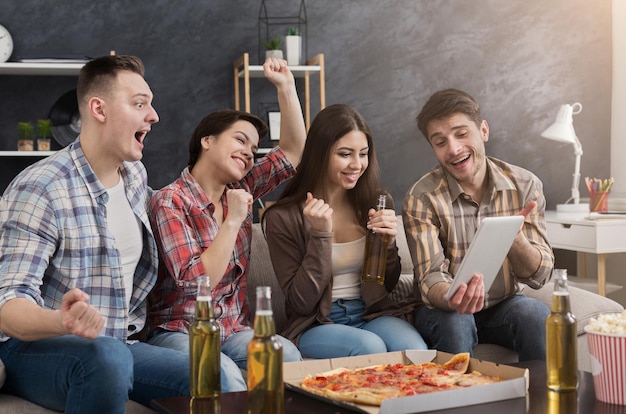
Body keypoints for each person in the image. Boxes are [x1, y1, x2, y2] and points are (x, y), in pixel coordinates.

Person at [0, 55, 189, 413]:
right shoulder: (41, 187)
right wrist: (61, 320)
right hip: (37, 345)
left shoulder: (135, 177)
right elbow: (7, 306)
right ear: (99, 109)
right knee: (107, 358)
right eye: (140, 104)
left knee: (214, 375)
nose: (154, 116)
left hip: (119, 341)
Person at [146, 57, 304, 391]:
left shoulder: (240, 189)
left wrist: (286, 86)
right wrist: (233, 220)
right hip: (180, 330)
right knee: (226, 378)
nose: (250, 153)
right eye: (240, 140)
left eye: (254, 148)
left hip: (232, 329)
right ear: (208, 140)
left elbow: (293, 151)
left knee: (286, 358)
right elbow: (197, 282)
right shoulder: (171, 201)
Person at [262, 104, 428, 358]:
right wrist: (320, 236)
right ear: (320, 154)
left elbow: (387, 283)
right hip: (317, 324)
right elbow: (300, 302)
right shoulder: (282, 217)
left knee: (416, 352)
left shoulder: (377, 202)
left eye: (363, 153)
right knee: (369, 347)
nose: (357, 164)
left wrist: (389, 245)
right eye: (345, 154)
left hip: (371, 313)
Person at [403, 88, 554, 361]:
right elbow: (429, 278)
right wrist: (452, 298)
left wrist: (516, 240)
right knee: (456, 320)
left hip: (502, 305)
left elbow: (540, 275)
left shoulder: (525, 185)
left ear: (483, 130)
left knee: (536, 314)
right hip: (444, 310)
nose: (454, 148)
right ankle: (460, 401)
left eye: (462, 134)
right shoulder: (421, 197)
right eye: (440, 142)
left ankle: (541, 400)